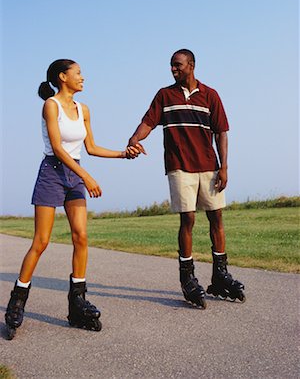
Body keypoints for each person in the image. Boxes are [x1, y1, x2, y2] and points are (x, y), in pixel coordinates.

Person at [5, 59, 141, 339]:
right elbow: (57, 147)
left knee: (81, 236)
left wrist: (122, 153)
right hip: (53, 172)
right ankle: (17, 300)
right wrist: (87, 177)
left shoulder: (84, 109)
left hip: (74, 172)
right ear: (62, 77)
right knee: (41, 242)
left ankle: (77, 302)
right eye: (78, 73)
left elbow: (89, 147)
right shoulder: (51, 105)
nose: (83, 78)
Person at [128, 49, 245, 308]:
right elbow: (148, 122)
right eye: (171, 66)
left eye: (178, 65)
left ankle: (220, 273)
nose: (173, 69)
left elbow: (221, 133)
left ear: (191, 65)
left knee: (216, 217)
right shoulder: (165, 95)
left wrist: (224, 167)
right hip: (179, 166)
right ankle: (188, 277)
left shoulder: (210, 95)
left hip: (208, 166)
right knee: (188, 218)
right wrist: (135, 139)